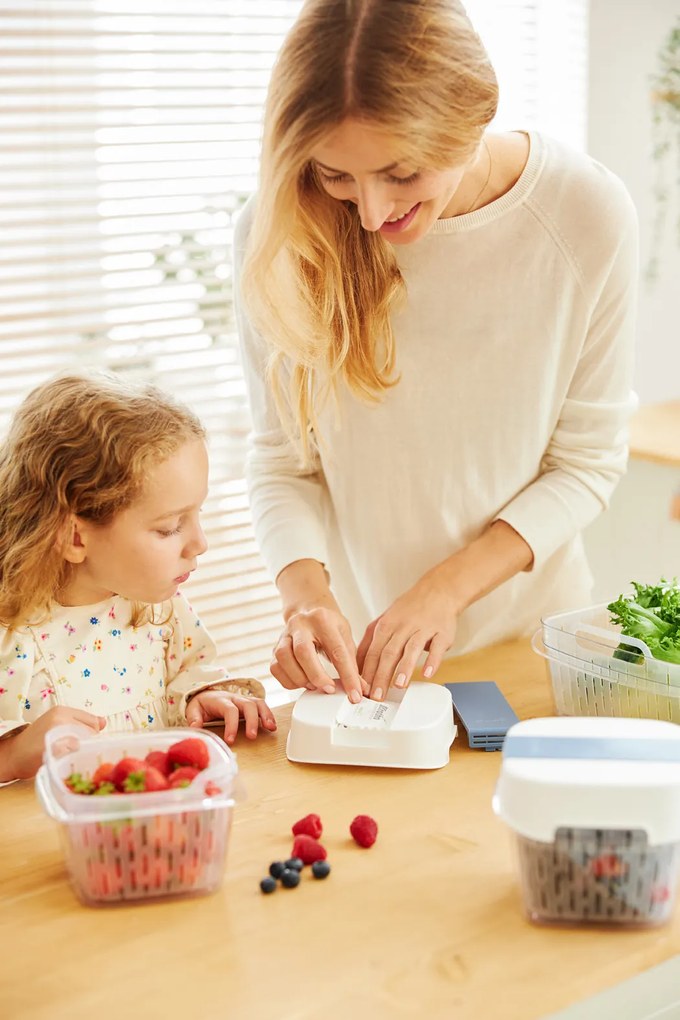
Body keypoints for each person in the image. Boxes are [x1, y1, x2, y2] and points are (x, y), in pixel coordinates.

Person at [234, 0, 638, 706]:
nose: (370, 214)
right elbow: (283, 461)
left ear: (472, 115)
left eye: (402, 173)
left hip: (534, 647)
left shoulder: (583, 215)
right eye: (336, 175)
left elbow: (585, 463)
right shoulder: (284, 234)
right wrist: (305, 598)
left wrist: (443, 591)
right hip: (371, 668)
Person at [0, 373, 277, 782]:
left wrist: (201, 698)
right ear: (74, 537)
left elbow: (186, 676)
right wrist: (12, 755)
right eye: (169, 527)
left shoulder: (159, 608)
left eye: (197, 513)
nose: (200, 543)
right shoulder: (12, 638)